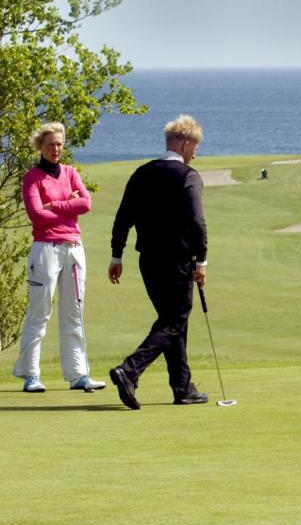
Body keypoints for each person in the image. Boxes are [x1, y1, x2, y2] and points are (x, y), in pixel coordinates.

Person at [107, 115, 209, 409]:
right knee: (175, 320)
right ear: (186, 144)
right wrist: (201, 261)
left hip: (148, 262)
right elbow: (197, 222)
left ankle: (182, 387)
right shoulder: (188, 176)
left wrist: (117, 255)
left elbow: (122, 218)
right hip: (177, 262)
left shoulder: (142, 173)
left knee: (171, 321)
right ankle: (130, 369)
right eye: (196, 148)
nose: (196, 154)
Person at [12, 122, 106, 393]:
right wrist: (69, 206)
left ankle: (78, 375)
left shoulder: (70, 172)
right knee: (39, 312)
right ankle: (31, 374)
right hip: (46, 249)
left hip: (73, 248)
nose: (56, 149)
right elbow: (37, 215)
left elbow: (85, 203)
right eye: (51, 144)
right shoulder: (32, 178)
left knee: (73, 312)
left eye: (60, 144)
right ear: (41, 146)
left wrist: (58, 205)